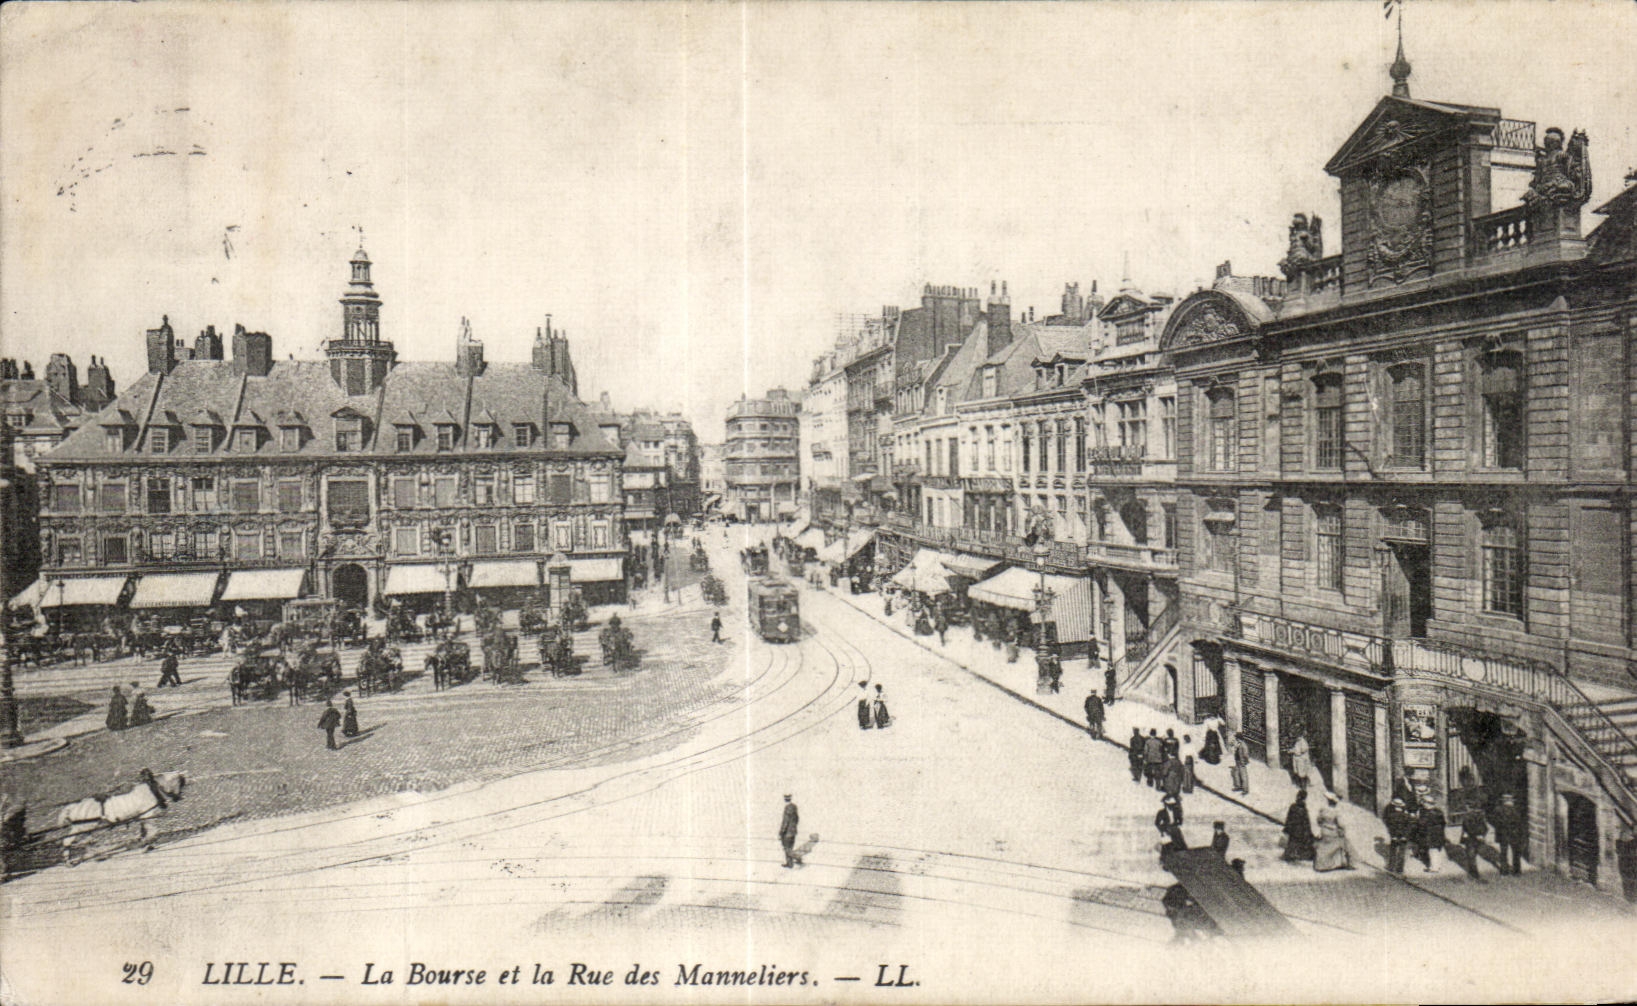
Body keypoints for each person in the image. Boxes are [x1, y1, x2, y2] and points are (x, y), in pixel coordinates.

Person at [1312, 796, 1355, 872]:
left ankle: (1320, 865)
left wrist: (1322, 825)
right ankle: (1348, 863)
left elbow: (1318, 820)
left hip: (1324, 831)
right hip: (1333, 832)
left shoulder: (1323, 810)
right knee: (1344, 843)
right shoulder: (1336, 812)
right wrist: (1343, 829)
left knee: (1323, 848)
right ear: (1335, 803)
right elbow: (1340, 824)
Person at [1491, 793, 1524, 876]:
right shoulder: (1516, 809)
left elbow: (1495, 821)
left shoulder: (1498, 809)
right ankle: (1517, 871)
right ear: (1511, 801)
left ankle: (1504, 870)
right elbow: (1520, 822)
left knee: (1503, 852)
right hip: (1514, 833)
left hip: (1503, 834)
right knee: (1516, 852)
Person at [1281, 790, 1315, 863]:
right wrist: (1309, 832)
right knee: (1298, 843)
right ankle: (1295, 855)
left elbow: (1288, 818)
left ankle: (1290, 855)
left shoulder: (1293, 806)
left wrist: (1287, 828)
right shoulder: (1303, 809)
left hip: (1293, 829)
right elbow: (1306, 822)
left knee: (1292, 843)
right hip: (1300, 830)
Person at [1383, 796, 1414, 874]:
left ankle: (1391, 866)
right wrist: (1405, 836)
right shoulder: (1407, 816)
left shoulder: (1391, 816)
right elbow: (1409, 827)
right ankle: (1400, 868)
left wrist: (1392, 835)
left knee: (1393, 851)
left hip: (1395, 836)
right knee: (1402, 852)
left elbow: (1390, 827)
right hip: (1403, 836)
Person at [1461, 803, 1490, 881]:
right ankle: (1474, 873)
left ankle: (1474, 873)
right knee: (1474, 854)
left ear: (1469, 808)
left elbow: (1467, 827)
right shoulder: (1480, 816)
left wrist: (1475, 834)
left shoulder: (1467, 816)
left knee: (1471, 856)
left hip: (1471, 839)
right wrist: (1482, 835)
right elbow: (1486, 828)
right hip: (1479, 838)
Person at [1419, 800, 1448, 874]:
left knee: (1432, 850)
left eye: (1425, 803)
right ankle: (1437, 866)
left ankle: (1434, 868)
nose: (1424, 805)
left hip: (1431, 834)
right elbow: (1443, 823)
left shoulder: (1428, 813)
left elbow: (1423, 823)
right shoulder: (1439, 811)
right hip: (1439, 833)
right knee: (1437, 850)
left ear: (1428, 803)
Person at [779, 794, 802, 868]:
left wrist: (782, 831)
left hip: (787, 832)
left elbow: (785, 821)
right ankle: (790, 863)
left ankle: (797, 857)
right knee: (790, 847)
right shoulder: (794, 806)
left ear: (785, 799)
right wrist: (794, 827)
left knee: (787, 848)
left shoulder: (787, 808)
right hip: (793, 831)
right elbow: (797, 818)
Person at [1617, 823, 1637, 904]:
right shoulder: (1628, 840)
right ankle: (1630, 896)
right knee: (1629, 876)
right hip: (1629, 859)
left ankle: (1631, 896)